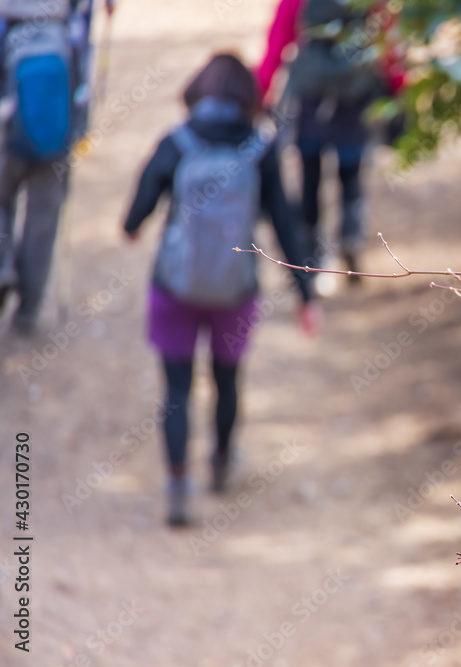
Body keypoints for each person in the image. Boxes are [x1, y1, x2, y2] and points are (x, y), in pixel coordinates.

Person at [123, 53, 320, 527]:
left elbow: (138, 210)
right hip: (236, 290)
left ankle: (176, 484)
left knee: (176, 387)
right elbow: (286, 225)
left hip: (174, 286)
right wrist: (307, 295)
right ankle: (222, 460)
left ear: (196, 93)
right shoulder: (261, 148)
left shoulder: (177, 142)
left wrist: (134, 226)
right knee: (228, 380)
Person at [257, 0, 404, 286]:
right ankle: (350, 239)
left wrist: (262, 88)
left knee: (310, 178)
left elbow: (278, 41)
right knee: (351, 175)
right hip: (355, 97)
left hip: (312, 96)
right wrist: (399, 87)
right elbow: (390, 42)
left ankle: (312, 255)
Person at [0, 0, 114, 334]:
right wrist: (80, 127)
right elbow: (84, 73)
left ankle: (3, 266)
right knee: (43, 219)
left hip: (7, 127)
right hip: (56, 132)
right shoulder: (68, 24)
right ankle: (29, 309)